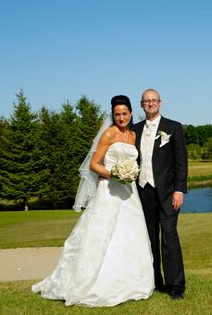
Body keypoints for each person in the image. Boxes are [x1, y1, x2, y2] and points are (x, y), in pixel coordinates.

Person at [32, 95, 154, 307]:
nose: (121, 118)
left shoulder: (134, 135)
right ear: (112, 115)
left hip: (129, 193)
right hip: (109, 190)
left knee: (129, 234)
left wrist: (129, 175)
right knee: (102, 234)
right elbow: (94, 164)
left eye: (125, 113)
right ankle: (97, 283)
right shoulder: (109, 133)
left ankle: (131, 283)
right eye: (117, 114)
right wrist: (112, 174)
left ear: (131, 113)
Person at [133, 88, 188, 301]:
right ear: (141, 104)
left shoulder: (173, 128)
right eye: (147, 101)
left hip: (168, 193)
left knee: (169, 237)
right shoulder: (134, 129)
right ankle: (154, 281)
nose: (150, 103)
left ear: (160, 102)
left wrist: (179, 190)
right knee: (149, 239)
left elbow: (181, 163)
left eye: (154, 100)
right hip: (142, 192)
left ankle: (176, 287)